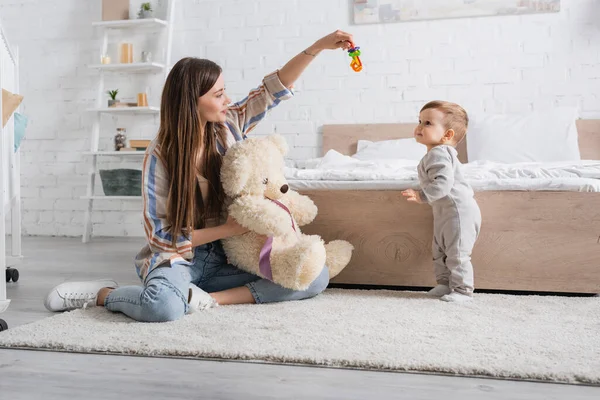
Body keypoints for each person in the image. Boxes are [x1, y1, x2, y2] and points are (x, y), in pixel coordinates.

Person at [44, 30, 355, 321]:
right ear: (192, 101)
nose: (227, 99)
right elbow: (160, 236)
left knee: (313, 275)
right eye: (218, 95)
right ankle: (103, 295)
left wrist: (317, 47)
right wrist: (227, 229)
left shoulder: (230, 125)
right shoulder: (160, 154)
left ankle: (208, 299)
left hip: (231, 258)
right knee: (161, 308)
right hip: (182, 260)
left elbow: (272, 90)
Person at [401, 101, 481, 303]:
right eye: (419, 121)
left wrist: (421, 195)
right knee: (440, 250)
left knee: (457, 252)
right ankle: (445, 284)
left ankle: (463, 291)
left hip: (459, 212)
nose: (419, 126)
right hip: (445, 212)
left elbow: (444, 183)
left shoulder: (439, 153)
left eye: (427, 123)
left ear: (447, 135)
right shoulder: (434, 153)